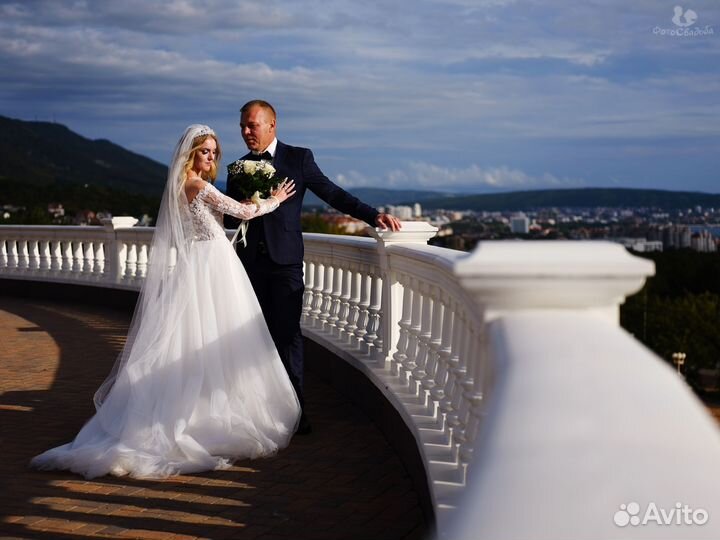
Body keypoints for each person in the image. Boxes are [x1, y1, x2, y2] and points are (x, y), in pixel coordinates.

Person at [30, 124, 301, 479]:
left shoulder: (181, 186)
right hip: (211, 265)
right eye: (204, 151)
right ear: (190, 154)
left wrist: (250, 200)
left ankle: (202, 408)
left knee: (199, 339)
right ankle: (200, 417)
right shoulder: (198, 185)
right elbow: (243, 214)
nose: (211, 156)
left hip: (201, 264)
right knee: (211, 339)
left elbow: (225, 216)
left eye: (214, 151)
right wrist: (274, 199)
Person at [225, 100, 402, 434]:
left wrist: (372, 214)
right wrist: (245, 206)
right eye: (243, 128)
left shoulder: (299, 158)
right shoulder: (237, 167)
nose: (246, 133)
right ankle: (257, 410)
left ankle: (295, 413)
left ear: (272, 124)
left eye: (252, 126)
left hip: (285, 263)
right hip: (247, 264)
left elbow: (332, 193)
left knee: (288, 335)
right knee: (253, 339)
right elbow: (233, 215)